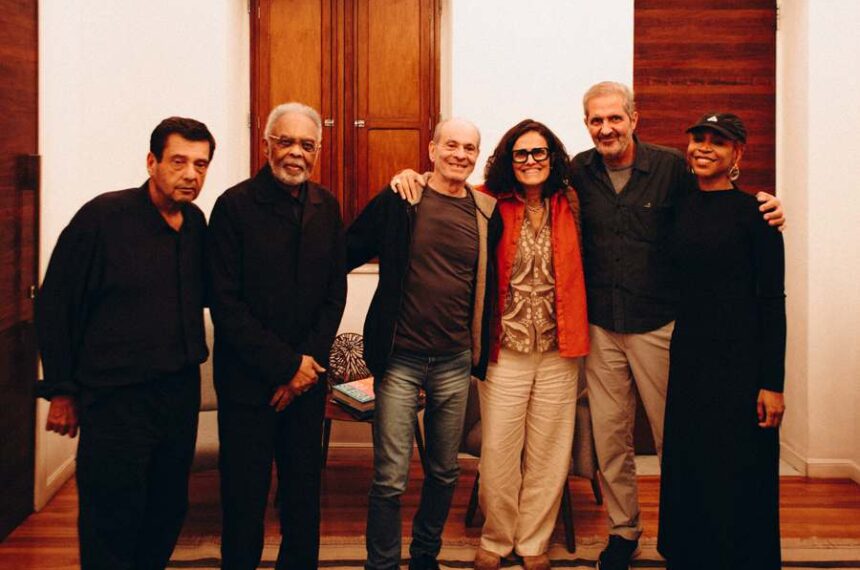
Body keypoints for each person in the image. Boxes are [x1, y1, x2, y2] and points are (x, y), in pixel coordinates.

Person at [568, 81, 785, 570]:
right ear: (587, 124)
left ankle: (689, 531)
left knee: (680, 440)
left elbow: (721, 203)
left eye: (615, 118)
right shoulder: (577, 170)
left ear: (634, 119)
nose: (606, 128)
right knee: (611, 438)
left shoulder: (672, 168)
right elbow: (518, 181)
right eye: (596, 120)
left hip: (659, 325)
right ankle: (623, 531)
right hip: (600, 324)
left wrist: (769, 207)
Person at [390, 119, 590, 570]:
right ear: (507, 159)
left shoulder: (572, 202)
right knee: (499, 452)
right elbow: (445, 187)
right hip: (504, 350)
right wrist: (412, 176)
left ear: (553, 158)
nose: (530, 161)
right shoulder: (487, 202)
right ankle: (497, 538)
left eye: (539, 152)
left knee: (548, 452)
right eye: (521, 153)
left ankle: (533, 542)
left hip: (560, 348)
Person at [36, 117, 216, 569]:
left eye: (200, 164)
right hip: (116, 396)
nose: (190, 174)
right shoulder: (102, 218)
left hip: (178, 393)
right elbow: (56, 305)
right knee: (112, 513)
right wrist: (61, 390)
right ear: (152, 162)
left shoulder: (196, 224)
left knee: (167, 508)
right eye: (178, 161)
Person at [345, 118, 502, 570]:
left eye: (469, 148)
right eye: (451, 145)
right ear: (432, 150)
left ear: (477, 156)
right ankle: (382, 563)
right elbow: (345, 250)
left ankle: (424, 557)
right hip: (400, 360)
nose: (460, 154)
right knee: (390, 478)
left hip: (454, 360)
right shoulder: (401, 198)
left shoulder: (485, 212)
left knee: (444, 471)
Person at [207, 102, 346, 570]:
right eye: (286, 141)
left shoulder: (327, 206)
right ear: (266, 144)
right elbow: (226, 304)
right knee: (243, 498)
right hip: (248, 384)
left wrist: (304, 369)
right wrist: (286, 367)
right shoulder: (233, 207)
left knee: (303, 495)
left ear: (318, 150)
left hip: (307, 383)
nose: (296, 153)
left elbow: (334, 295)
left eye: (307, 144)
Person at [657, 113, 785, 570]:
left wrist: (772, 383)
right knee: (690, 463)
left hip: (742, 365)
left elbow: (772, 301)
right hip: (690, 357)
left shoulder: (759, 215)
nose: (704, 148)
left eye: (717, 142)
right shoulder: (677, 207)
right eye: (698, 139)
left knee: (739, 467)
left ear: (737, 154)